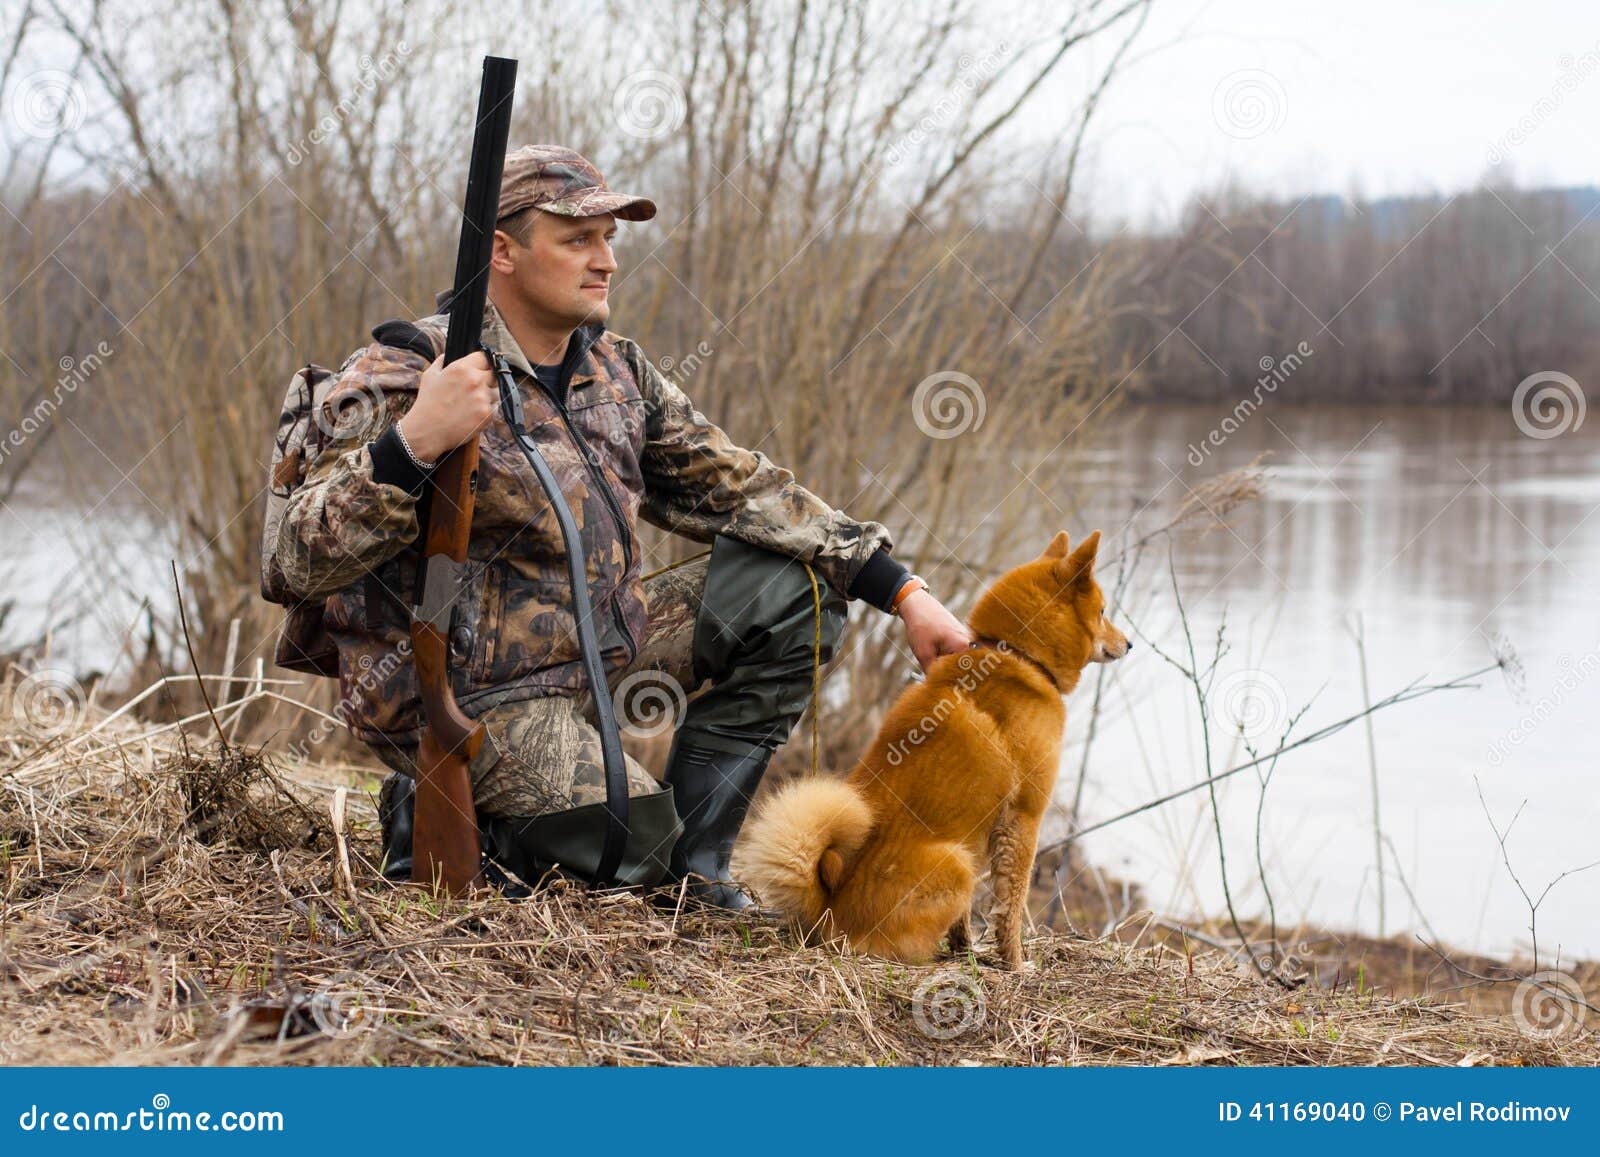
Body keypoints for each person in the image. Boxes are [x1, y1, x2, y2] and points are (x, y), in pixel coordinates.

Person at [272, 145, 971, 907]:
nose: (605, 260)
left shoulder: (615, 372)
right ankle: (441, 812)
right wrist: (414, 443)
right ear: (501, 251)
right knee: (633, 841)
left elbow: (740, 487)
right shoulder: (408, 370)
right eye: (578, 239)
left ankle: (696, 872)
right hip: (465, 700)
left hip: (592, 667)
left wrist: (901, 590)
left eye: (608, 239)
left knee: (790, 593)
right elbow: (293, 560)